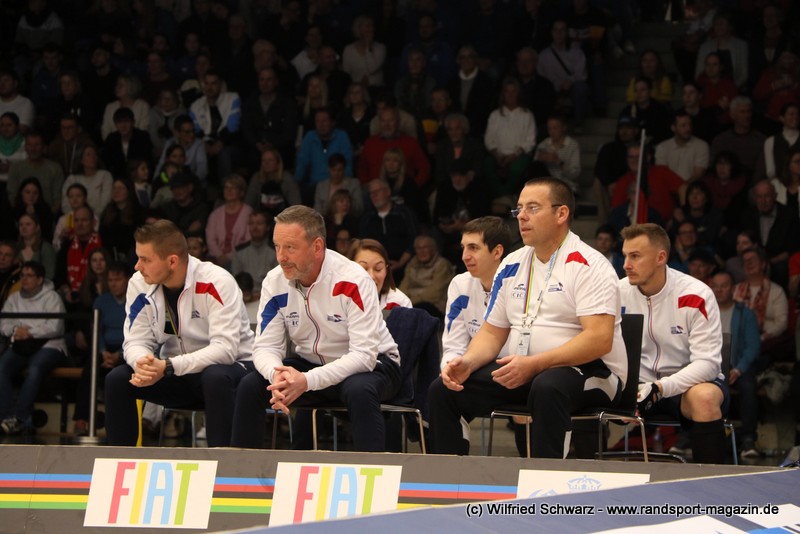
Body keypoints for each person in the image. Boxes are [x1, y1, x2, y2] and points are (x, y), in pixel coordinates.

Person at [429, 177, 627, 458]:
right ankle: (450, 478)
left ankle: (546, 480)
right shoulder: (511, 263)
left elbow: (599, 339)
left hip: (594, 372)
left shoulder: (589, 264)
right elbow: (492, 332)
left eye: (532, 208)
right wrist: (468, 362)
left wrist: (536, 364)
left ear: (561, 214)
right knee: (445, 389)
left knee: (549, 387)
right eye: (519, 209)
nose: (521, 216)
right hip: (526, 370)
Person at [230, 205, 402, 451]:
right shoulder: (274, 281)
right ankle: (242, 470)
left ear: (317, 247)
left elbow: (364, 355)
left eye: (290, 247)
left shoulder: (353, 279)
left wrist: (307, 381)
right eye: (277, 246)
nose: (281, 257)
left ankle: (372, 470)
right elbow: (265, 347)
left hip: (374, 365)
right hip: (310, 364)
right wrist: (276, 376)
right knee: (251, 385)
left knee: (358, 389)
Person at [104, 220, 255, 447]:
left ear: (172, 261)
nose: (137, 266)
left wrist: (168, 366)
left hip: (233, 370)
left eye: (145, 259)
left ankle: (223, 462)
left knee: (215, 377)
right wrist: (143, 365)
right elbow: (135, 340)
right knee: (117, 379)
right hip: (174, 371)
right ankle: (119, 462)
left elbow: (225, 350)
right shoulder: (139, 283)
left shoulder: (217, 281)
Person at [618, 223, 728, 464]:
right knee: (587, 388)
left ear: (661, 257)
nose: (626, 264)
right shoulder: (617, 292)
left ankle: (714, 482)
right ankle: (582, 479)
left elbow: (708, 364)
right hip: (637, 385)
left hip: (687, 387)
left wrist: (660, 388)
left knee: (705, 397)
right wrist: (627, 386)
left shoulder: (696, 294)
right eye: (625, 255)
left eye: (635, 256)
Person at [0, 261, 66, 435]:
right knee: (2, 367)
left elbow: (55, 327)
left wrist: (29, 332)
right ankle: (6, 417)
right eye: (22, 275)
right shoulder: (14, 298)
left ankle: (20, 418)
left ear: (40, 279)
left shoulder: (52, 297)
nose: (24, 279)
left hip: (50, 345)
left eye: (29, 276)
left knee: (35, 368)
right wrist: (16, 330)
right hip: (20, 344)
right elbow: (3, 324)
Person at [709, 270, 761, 458]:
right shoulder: (705, 312)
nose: (719, 290)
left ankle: (748, 439)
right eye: (715, 286)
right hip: (709, 368)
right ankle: (685, 438)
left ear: (733, 289)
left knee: (748, 386)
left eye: (723, 286)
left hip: (736, 367)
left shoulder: (745, 313)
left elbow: (753, 346)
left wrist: (738, 369)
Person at [349, 238, 412, 312]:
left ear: (386, 270)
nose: (371, 276)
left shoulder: (400, 303)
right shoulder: (338, 299)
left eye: (378, 269)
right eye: (363, 269)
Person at [398, 235, 454, 318]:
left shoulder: (442, 265)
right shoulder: (412, 264)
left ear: (433, 249)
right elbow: (404, 286)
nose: (422, 251)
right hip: (412, 303)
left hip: (435, 304)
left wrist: (410, 301)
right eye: (418, 248)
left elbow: (434, 293)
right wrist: (400, 301)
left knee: (417, 311)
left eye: (425, 247)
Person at [230, 210, 277, 289]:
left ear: (267, 227)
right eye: (252, 223)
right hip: (245, 294)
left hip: (269, 293)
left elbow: (278, 281)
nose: (255, 227)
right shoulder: (238, 251)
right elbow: (235, 280)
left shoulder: (276, 251)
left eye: (259, 223)